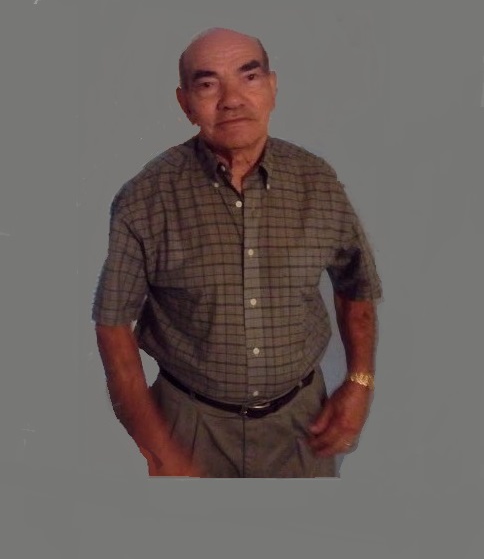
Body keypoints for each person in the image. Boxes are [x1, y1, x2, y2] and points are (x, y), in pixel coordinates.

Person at [92, 27, 382, 477]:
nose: (231, 100)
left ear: (272, 87)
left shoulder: (318, 182)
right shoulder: (145, 198)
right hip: (187, 425)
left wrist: (360, 382)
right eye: (208, 84)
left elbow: (356, 284)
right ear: (185, 103)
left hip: (304, 424)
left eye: (249, 77)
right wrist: (158, 449)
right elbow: (113, 325)